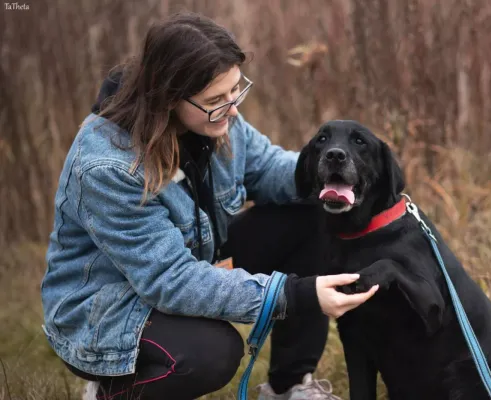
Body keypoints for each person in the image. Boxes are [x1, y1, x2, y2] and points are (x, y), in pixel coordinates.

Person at [40, 11, 379, 400]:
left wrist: (340, 174)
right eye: (216, 100)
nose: (233, 109)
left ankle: (288, 388)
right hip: (105, 311)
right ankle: (112, 387)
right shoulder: (108, 167)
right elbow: (172, 280)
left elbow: (270, 168)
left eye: (236, 90)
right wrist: (296, 293)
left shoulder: (214, 119)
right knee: (212, 353)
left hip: (185, 262)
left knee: (311, 208)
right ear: (168, 98)